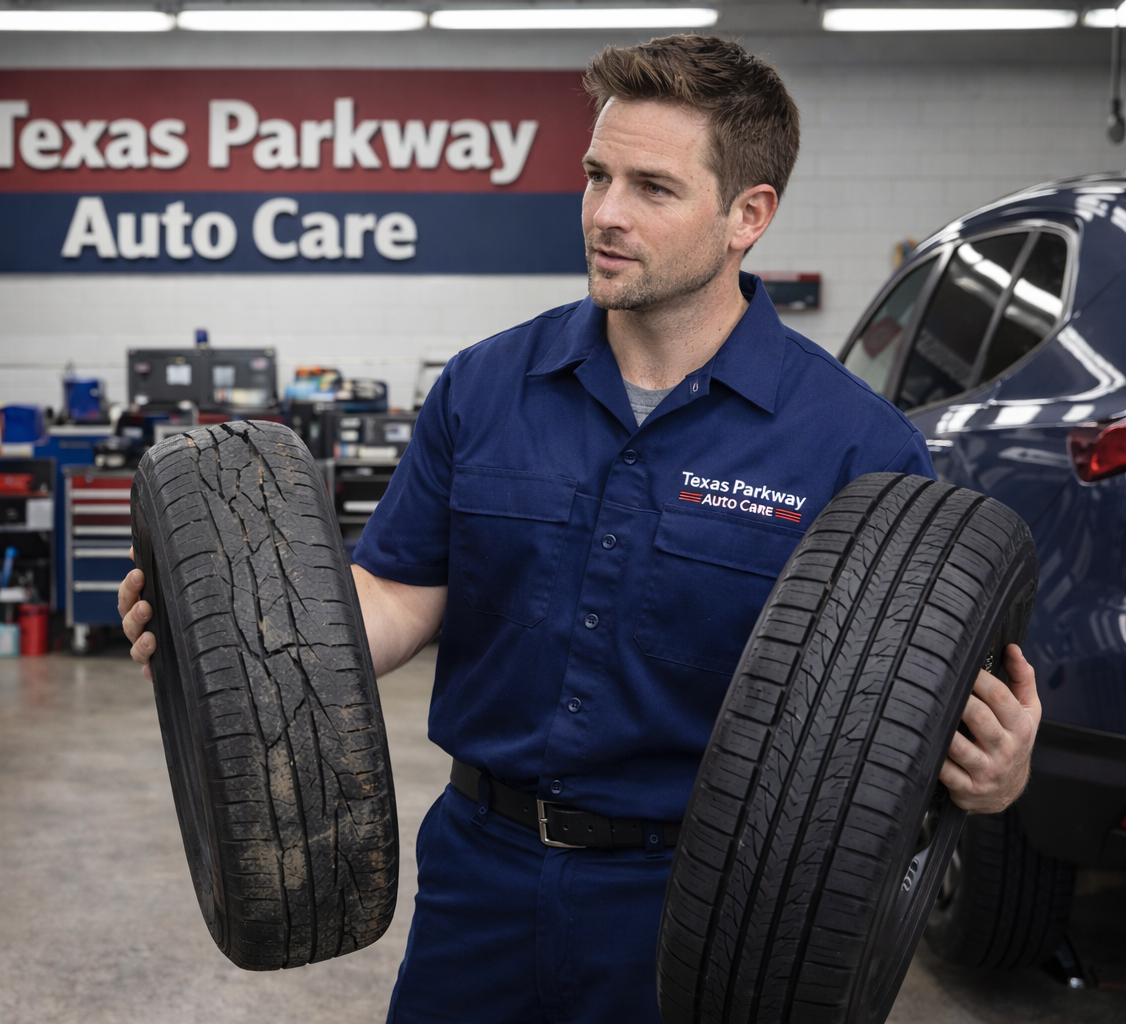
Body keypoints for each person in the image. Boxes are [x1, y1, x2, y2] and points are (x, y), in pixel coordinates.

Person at [120, 35, 1040, 1022]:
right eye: (597, 174)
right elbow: (394, 594)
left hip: (702, 906)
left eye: (652, 187)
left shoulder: (858, 449)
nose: (605, 213)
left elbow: (901, 724)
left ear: (748, 216)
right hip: (481, 876)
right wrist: (241, 627)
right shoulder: (484, 387)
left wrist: (994, 773)